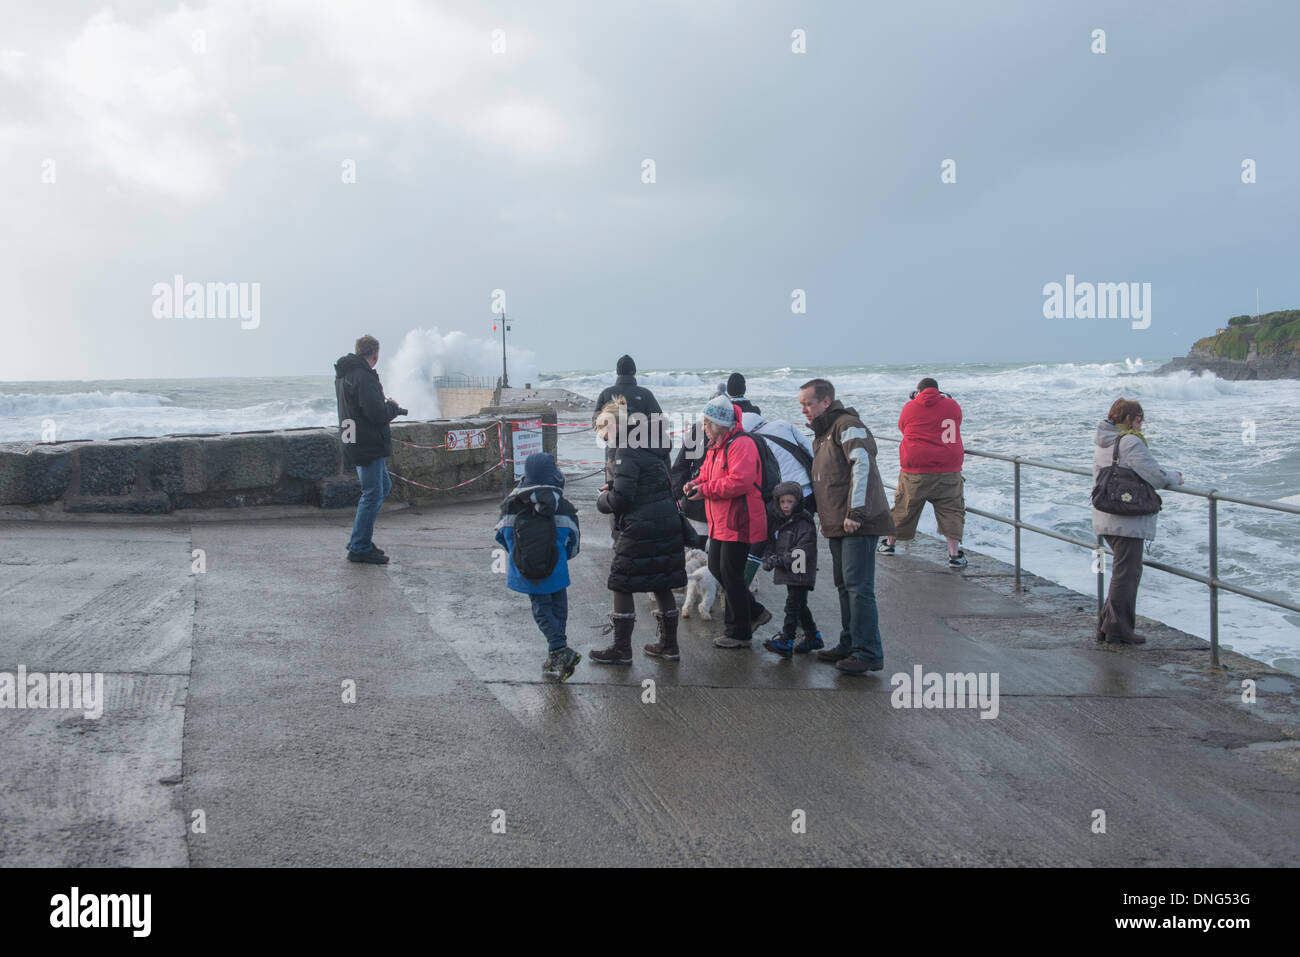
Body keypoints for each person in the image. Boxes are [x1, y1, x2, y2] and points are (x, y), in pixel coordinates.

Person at [798, 378, 895, 675]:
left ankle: (868, 652)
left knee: (858, 588)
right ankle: (849, 642)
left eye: (808, 403)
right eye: (801, 405)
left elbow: (862, 464)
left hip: (857, 522)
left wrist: (857, 511)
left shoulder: (846, 424)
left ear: (826, 401)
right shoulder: (823, 433)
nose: (804, 410)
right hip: (838, 523)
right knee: (844, 586)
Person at [592, 397, 687, 663]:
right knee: (662, 581)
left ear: (617, 425)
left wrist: (603, 501)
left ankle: (621, 649)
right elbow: (645, 482)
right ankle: (669, 645)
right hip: (665, 519)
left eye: (606, 431)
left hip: (642, 524)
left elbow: (623, 499)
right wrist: (615, 487)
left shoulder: (626, 450)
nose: (606, 438)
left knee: (621, 581)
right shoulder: (650, 444)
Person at [1091, 398, 1183, 645]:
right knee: (1127, 574)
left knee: (1122, 572)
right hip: (1125, 519)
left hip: (1107, 515)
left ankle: (1107, 625)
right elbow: (1156, 476)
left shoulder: (1106, 440)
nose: (1142, 423)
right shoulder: (1129, 441)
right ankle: (1119, 630)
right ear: (1127, 418)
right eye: (1139, 418)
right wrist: (1176, 476)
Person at [683, 394, 768, 649]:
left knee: (731, 574)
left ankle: (738, 632)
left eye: (707, 423)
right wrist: (695, 483)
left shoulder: (742, 444)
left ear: (721, 423)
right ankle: (753, 612)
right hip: (720, 521)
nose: (704, 427)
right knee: (719, 570)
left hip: (739, 519)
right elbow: (707, 475)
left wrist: (705, 489)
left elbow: (740, 482)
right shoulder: (716, 447)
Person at [494, 453, 582, 681]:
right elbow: (574, 543)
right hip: (557, 570)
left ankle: (559, 650)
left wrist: (518, 554)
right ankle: (556, 653)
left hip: (529, 571)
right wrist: (563, 557)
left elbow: (502, 535)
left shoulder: (512, 504)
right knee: (558, 609)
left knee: (541, 610)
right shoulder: (564, 506)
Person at [878, 377, 968, 567]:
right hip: (948, 469)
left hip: (915, 470)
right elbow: (957, 422)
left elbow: (902, 427)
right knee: (952, 510)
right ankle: (954, 555)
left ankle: (889, 545)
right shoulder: (952, 405)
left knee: (904, 507)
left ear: (918, 391)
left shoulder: (910, 407)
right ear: (938, 390)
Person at [334, 335, 406, 564]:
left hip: (353, 439)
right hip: (366, 444)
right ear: (375, 355)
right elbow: (376, 414)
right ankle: (359, 546)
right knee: (373, 492)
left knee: (382, 487)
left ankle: (360, 538)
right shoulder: (363, 377)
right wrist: (392, 408)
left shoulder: (344, 374)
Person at [739, 404, 816, 603]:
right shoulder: (783, 425)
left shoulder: (748, 440)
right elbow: (809, 451)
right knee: (799, 544)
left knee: (760, 541)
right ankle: (799, 601)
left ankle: (741, 590)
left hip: (780, 497)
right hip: (806, 493)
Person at [760, 481, 822, 657]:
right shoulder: (780, 522)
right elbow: (771, 542)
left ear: (798, 501)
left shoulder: (804, 522)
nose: (786, 506)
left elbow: (803, 551)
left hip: (801, 571)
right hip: (790, 571)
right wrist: (768, 556)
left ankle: (787, 638)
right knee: (800, 605)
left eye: (790, 502)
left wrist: (778, 560)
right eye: (782, 502)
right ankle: (813, 636)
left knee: (792, 605)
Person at [671, 383, 727, 541]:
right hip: (699, 506)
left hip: (717, 507)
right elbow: (681, 466)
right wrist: (677, 496)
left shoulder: (737, 437)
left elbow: (680, 466)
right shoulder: (698, 430)